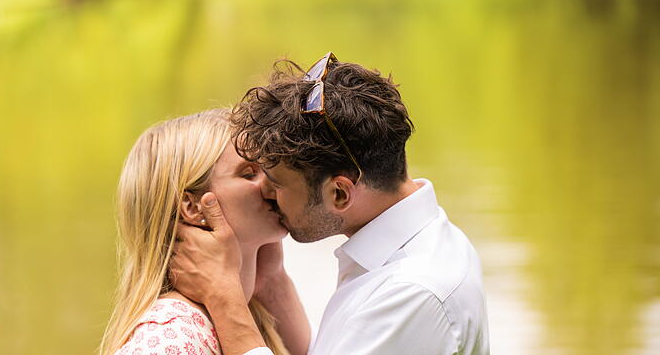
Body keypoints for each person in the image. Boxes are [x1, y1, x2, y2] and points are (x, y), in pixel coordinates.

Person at [171, 53, 491, 354]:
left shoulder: (413, 292)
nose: (265, 191)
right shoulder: (416, 244)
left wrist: (222, 296)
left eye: (277, 183)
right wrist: (272, 281)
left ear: (339, 194)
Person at [99, 109, 310, 355]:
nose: (273, 182)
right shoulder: (172, 338)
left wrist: (271, 280)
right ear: (192, 206)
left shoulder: (243, 319)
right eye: (249, 173)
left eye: (268, 167)